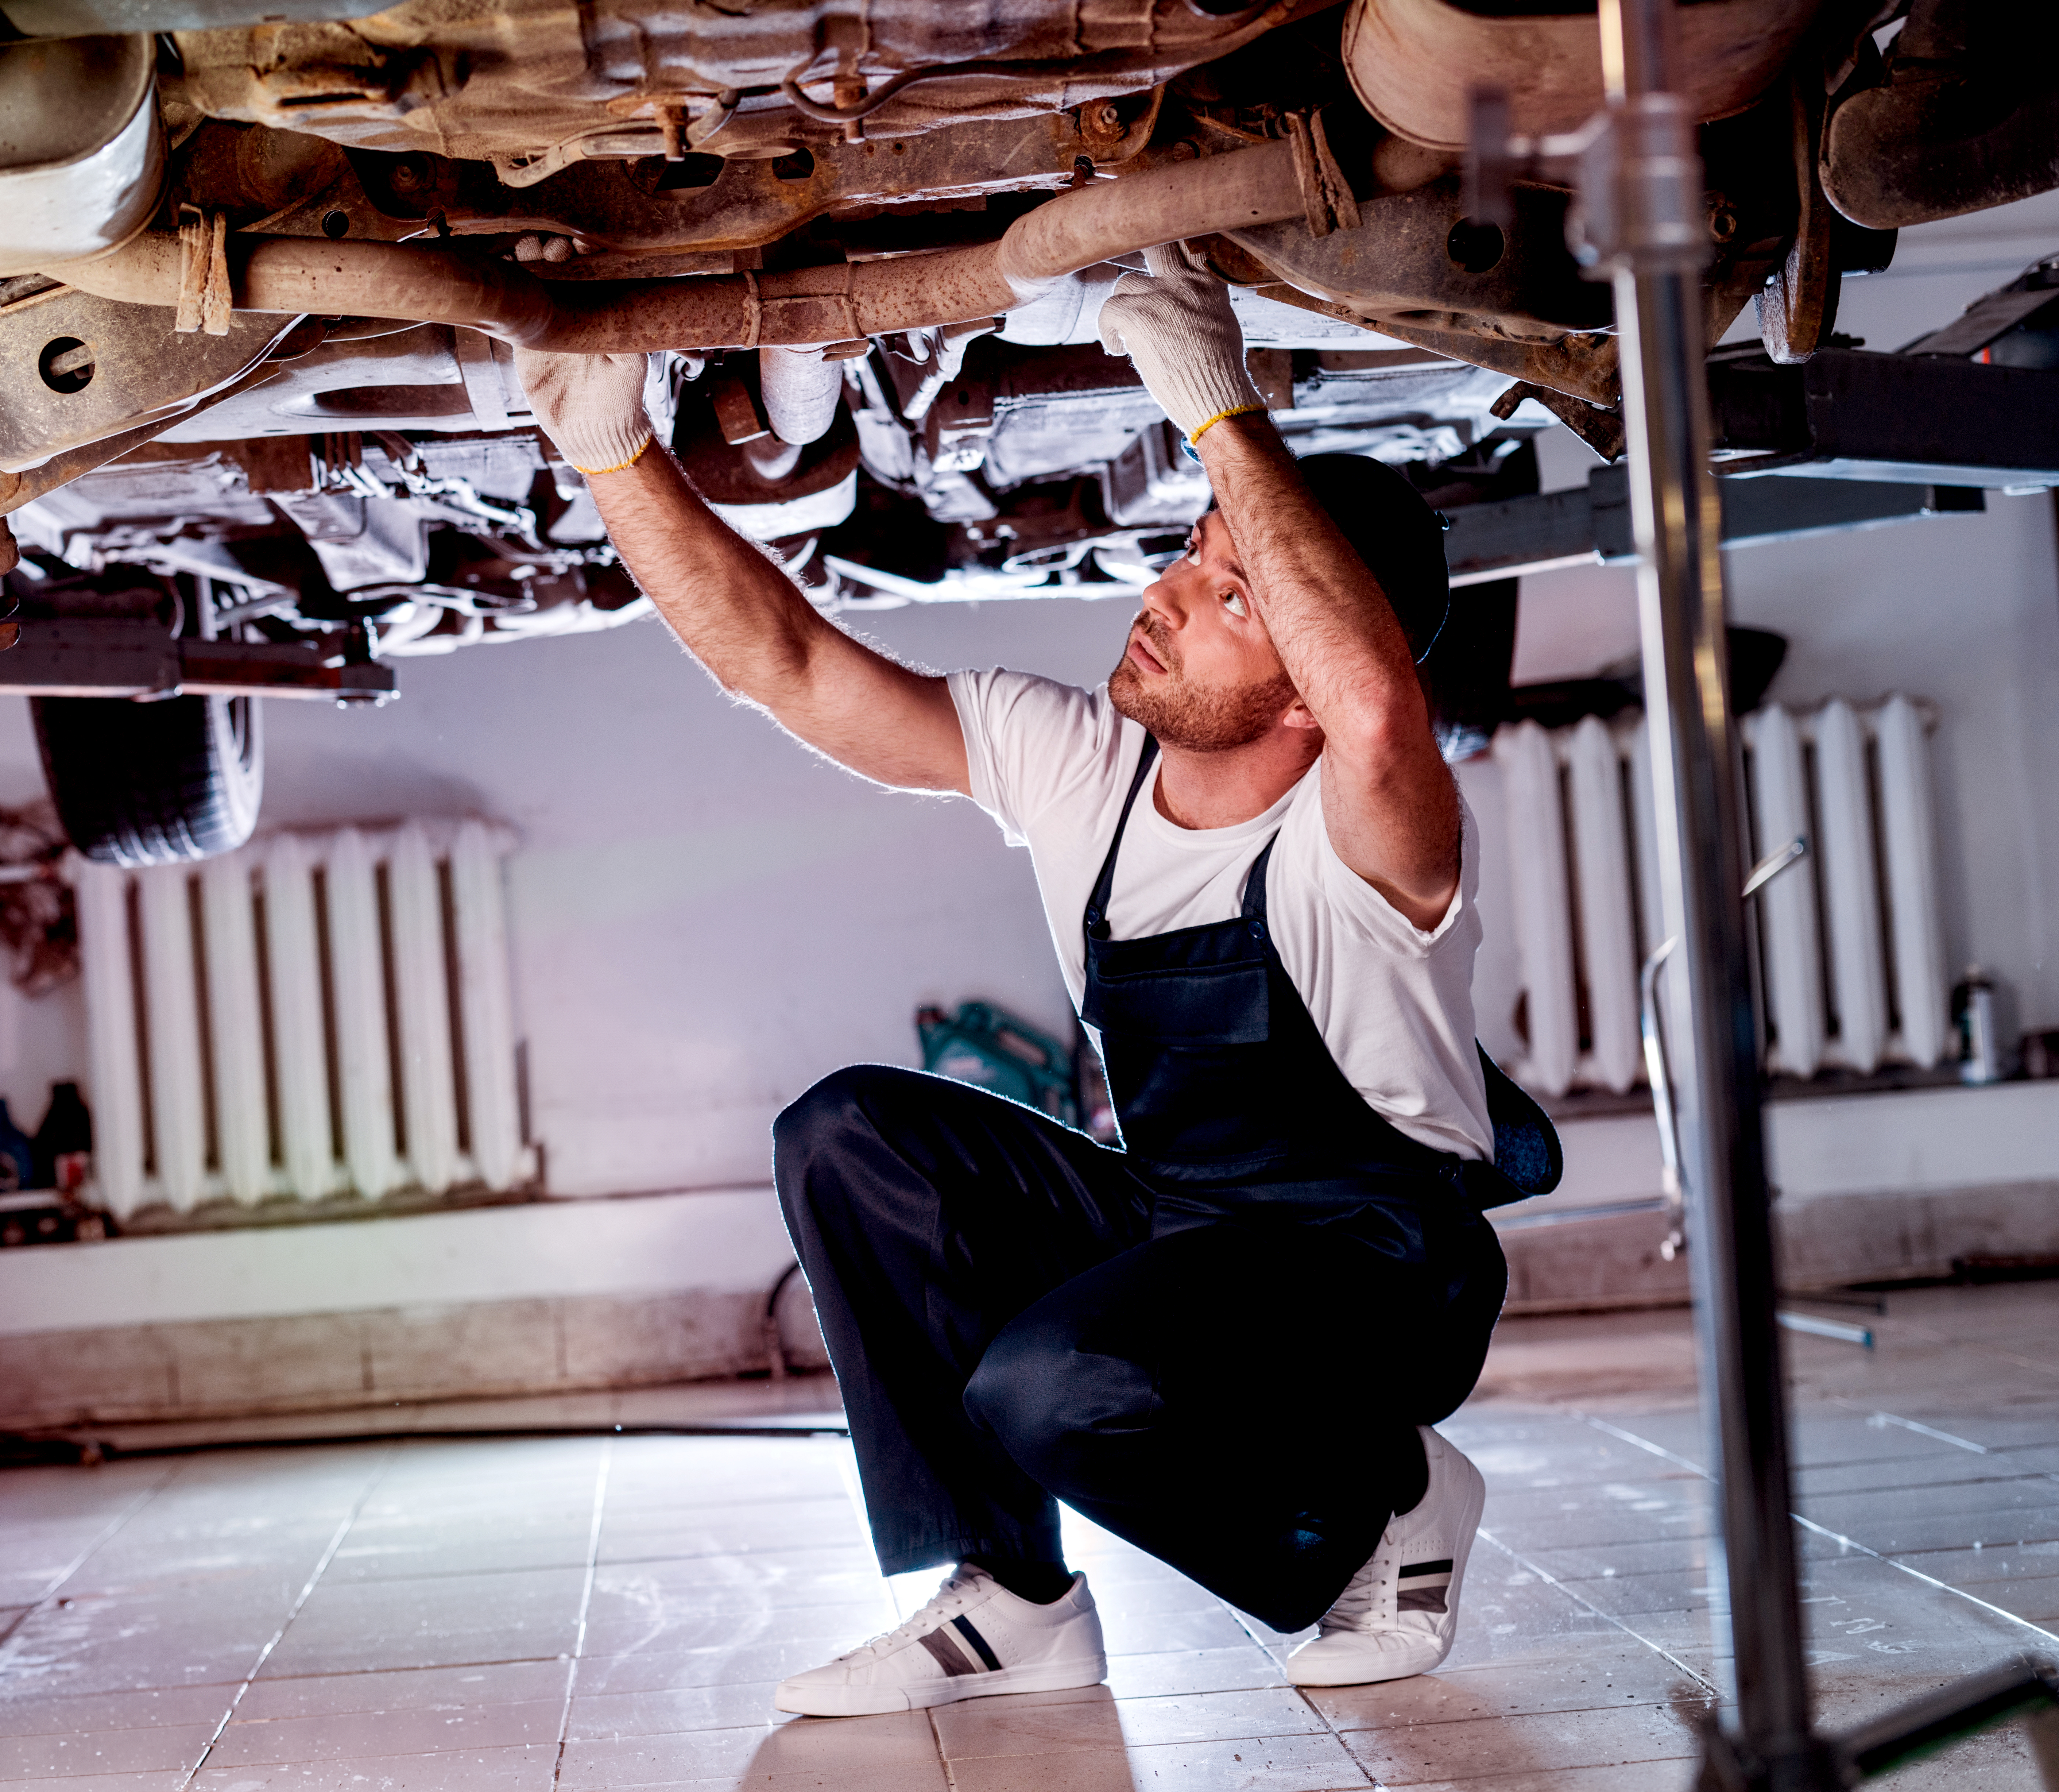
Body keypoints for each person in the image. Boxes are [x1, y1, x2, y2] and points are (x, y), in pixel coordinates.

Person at [516, 244, 1541, 1715]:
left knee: (1054, 1382)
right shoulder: (1085, 770)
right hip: (1190, 1228)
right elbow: (788, 664)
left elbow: (1378, 701)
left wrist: (1212, 393)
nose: (1172, 595)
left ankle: (1387, 1504)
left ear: (1320, 664)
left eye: (1233, 590)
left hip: (1371, 1272)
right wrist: (607, 448)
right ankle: (1012, 1598)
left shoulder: (1370, 829)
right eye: (1190, 554)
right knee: (849, 1134)